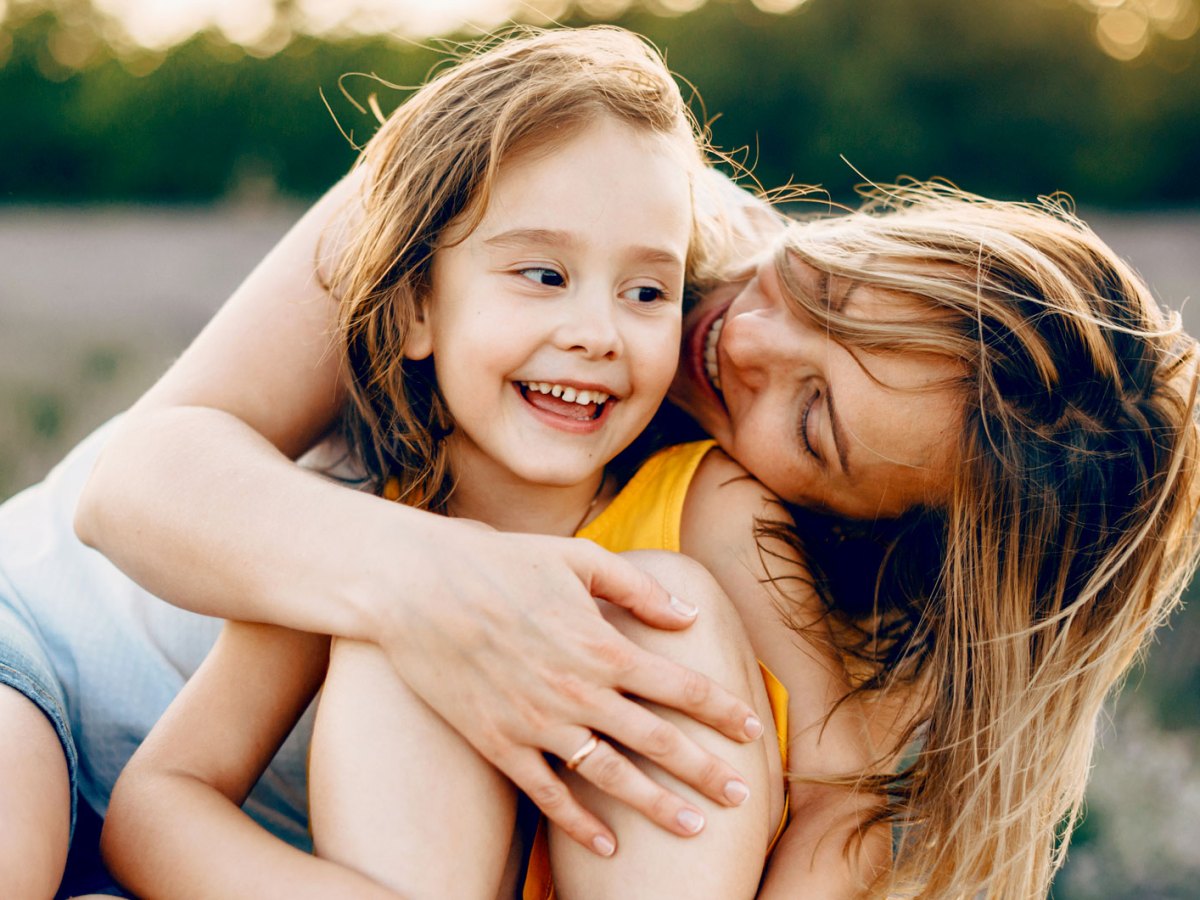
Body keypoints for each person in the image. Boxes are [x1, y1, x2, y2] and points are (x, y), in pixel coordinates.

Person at [0, 28, 1190, 900]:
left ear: (861, 523)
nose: (752, 335)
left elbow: (847, 800)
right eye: (828, 280)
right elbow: (132, 485)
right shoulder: (556, 180)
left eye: (813, 425)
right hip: (46, 657)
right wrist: (442, 581)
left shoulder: (741, 531)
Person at [97, 25, 831, 899]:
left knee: (663, 605)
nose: (597, 333)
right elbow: (160, 799)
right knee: (394, 633)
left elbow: (848, 790)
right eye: (543, 274)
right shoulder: (354, 544)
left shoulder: (714, 508)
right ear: (418, 311)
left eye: (646, 291)